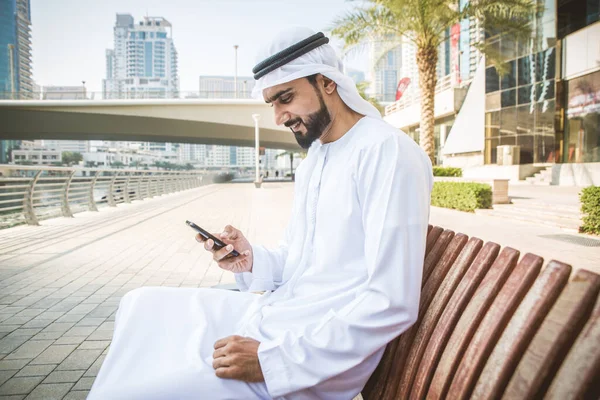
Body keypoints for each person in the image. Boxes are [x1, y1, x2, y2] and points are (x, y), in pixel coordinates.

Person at [88, 26, 432, 400]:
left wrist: (272, 361)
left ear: (326, 82)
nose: (279, 117)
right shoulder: (316, 158)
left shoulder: (386, 151)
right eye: (272, 103)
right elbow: (299, 260)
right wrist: (250, 260)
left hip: (310, 356)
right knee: (140, 305)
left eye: (286, 98)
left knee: (142, 390)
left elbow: (391, 300)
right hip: (279, 317)